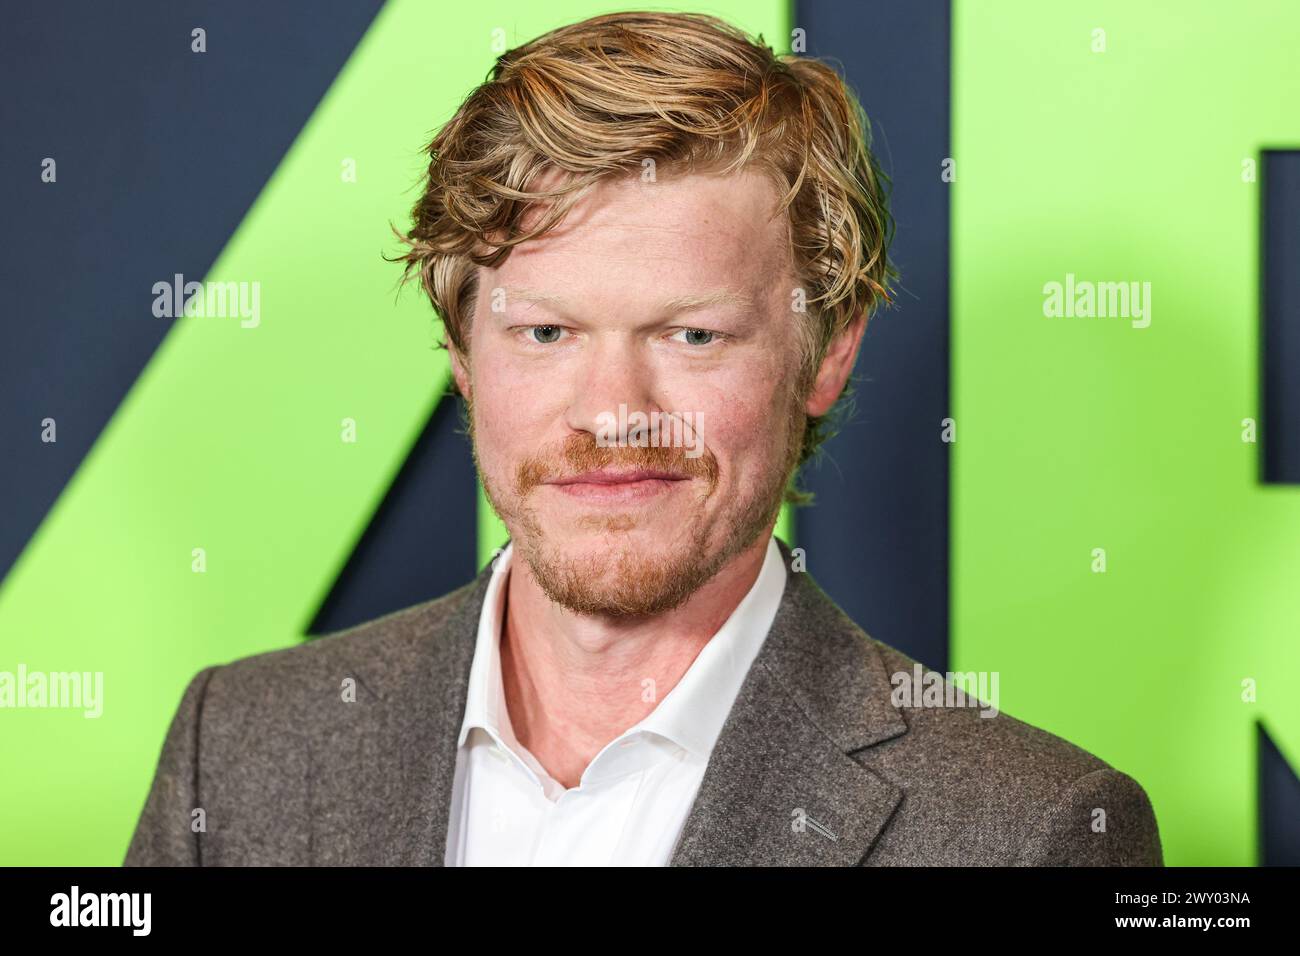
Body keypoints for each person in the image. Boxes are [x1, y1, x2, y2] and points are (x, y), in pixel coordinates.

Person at [124, 11, 1162, 866]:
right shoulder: (241, 745)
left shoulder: (1027, 831)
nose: (614, 410)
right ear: (461, 349)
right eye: (545, 331)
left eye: (692, 332)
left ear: (828, 349)